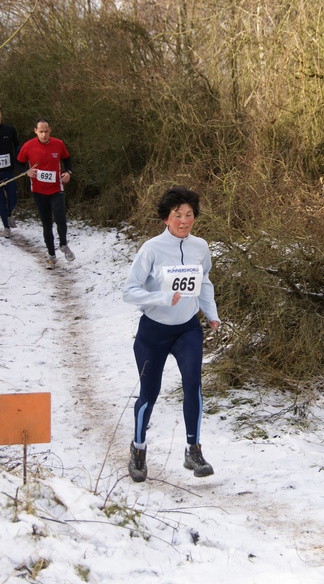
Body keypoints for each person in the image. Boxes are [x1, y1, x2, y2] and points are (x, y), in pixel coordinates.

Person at [123, 186, 220, 482]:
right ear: (166, 218)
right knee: (149, 393)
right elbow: (130, 292)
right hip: (153, 332)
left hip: (187, 329)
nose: (184, 220)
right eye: (177, 215)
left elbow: (203, 283)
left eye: (189, 214)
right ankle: (138, 449)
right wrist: (163, 298)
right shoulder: (152, 249)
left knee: (193, 384)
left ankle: (193, 449)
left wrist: (211, 314)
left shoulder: (200, 247)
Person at [17, 118, 75, 268]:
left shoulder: (58, 144)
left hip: (56, 190)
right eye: (40, 131)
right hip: (38, 192)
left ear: (50, 130)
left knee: (61, 220)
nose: (43, 134)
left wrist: (68, 172)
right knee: (46, 224)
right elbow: (18, 163)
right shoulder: (28, 146)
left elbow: (67, 158)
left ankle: (63, 244)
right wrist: (26, 171)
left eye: (46, 131)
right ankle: (51, 254)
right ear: (35, 131)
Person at [0, 105, 20, 238]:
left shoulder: (10, 130)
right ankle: (6, 227)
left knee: (13, 197)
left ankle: (8, 214)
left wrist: (20, 160)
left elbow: (18, 146)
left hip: (8, 171)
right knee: (0, 201)